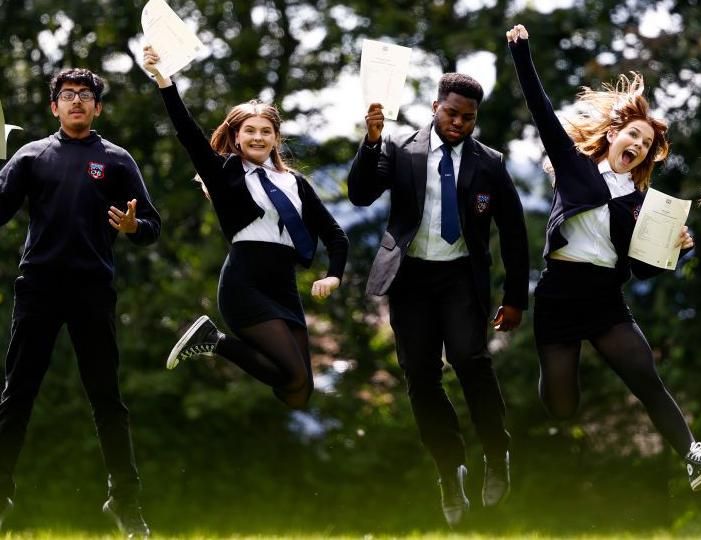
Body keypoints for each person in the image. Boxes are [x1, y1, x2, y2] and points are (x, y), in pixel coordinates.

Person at [506, 24, 701, 492]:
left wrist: (679, 249)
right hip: (559, 294)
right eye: (633, 135)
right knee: (563, 405)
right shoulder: (575, 168)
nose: (638, 146)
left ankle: (692, 456)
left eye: (646, 144)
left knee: (645, 374)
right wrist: (522, 52)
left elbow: (647, 269)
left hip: (605, 298)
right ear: (614, 134)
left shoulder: (642, 203)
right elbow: (541, 110)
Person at [347, 72, 529, 526]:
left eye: (468, 118)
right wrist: (370, 143)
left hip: (461, 280)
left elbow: (512, 232)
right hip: (410, 279)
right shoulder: (401, 151)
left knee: (471, 361)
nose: (459, 124)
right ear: (435, 107)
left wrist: (514, 297)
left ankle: (495, 450)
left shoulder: (490, 162)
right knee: (421, 377)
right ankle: (449, 471)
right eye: (452, 114)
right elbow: (360, 193)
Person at [142, 47, 348, 411]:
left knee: (298, 392)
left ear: (276, 138)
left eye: (265, 131)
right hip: (245, 283)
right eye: (249, 131)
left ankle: (215, 342)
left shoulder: (295, 183)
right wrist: (163, 79)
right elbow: (188, 132)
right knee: (293, 377)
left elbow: (335, 235)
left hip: (284, 287)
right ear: (236, 138)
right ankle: (215, 340)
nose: (257, 137)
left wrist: (334, 275)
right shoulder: (224, 175)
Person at [0, 68, 158, 538]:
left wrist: (132, 228)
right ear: (54, 107)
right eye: (67, 95)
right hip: (39, 289)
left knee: (107, 399)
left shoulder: (116, 160)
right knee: (16, 397)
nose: (76, 102)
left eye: (85, 96)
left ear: (97, 107)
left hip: (92, 290)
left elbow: (150, 227)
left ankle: (125, 504)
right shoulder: (32, 155)